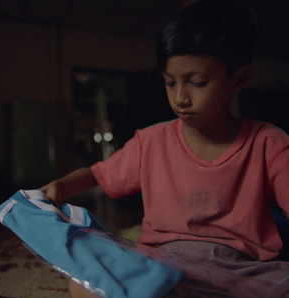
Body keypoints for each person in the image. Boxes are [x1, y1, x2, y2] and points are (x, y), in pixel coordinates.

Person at [40, 0, 289, 296]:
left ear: (240, 78)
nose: (180, 97)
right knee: (83, 285)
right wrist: (60, 186)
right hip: (161, 265)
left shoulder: (269, 143)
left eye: (196, 82)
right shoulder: (151, 141)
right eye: (170, 83)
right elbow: (97, 174)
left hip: (240, 271)